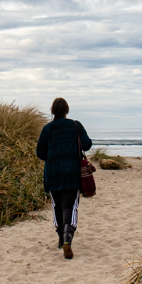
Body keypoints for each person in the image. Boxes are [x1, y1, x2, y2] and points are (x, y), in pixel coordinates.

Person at [35, 97, 92, 259]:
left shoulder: (47, 129)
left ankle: (61, 238)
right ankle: (68, 237)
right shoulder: (75, 125)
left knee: (57, 206)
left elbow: (40, 153)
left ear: (52, 111)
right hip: (72, 173)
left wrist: (53, 156)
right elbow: (87, 145)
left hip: (53, 173)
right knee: (70, 207)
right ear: (67, 110)